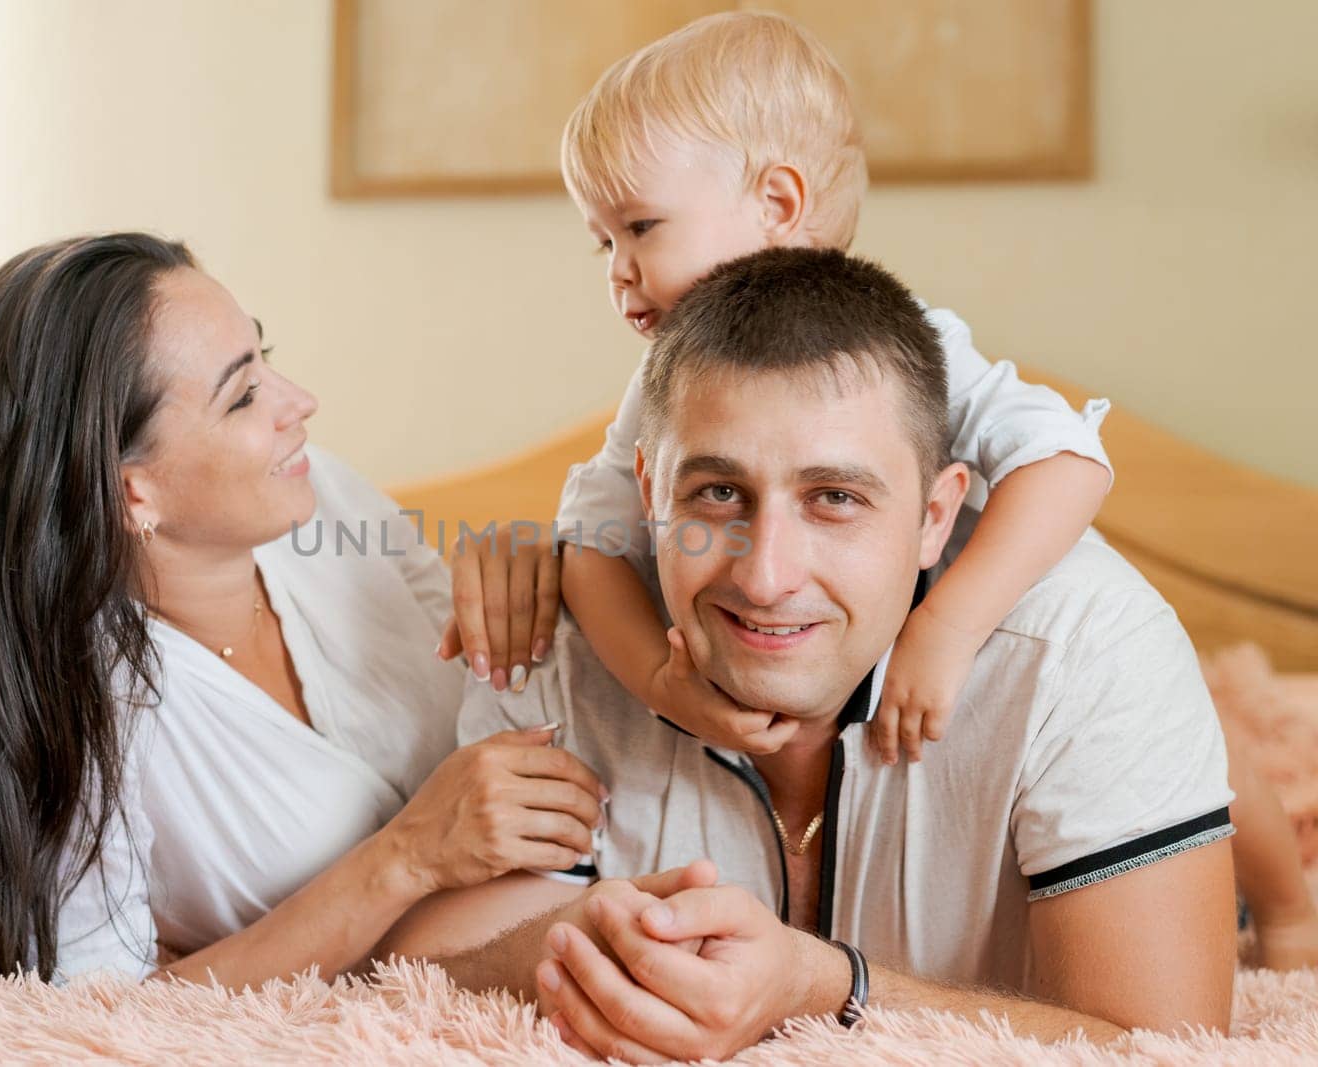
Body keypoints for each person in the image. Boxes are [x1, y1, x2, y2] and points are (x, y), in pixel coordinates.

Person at [436, 8, 1318, 969]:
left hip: (1001, 584)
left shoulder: (918, 352)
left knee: (1172, 699)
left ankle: (1288, 908)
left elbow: (1069, 464)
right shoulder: (659, 395)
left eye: (640, 228)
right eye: (600, 243)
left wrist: (949, 629)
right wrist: (660, 681)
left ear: (779, 203)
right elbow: (593, 546)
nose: (619, 273)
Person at [382, 247, 1238, 1057]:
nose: (764, 576)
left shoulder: (1082, 649)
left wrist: (829, 987)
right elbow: (416, 986)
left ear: (936, 515)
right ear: (647, 492)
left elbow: (1166, 1052)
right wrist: (567, 940)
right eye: (718, 492)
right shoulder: (547, 643)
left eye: (834, 498)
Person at [0, 233, 607, 987]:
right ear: (133, 492)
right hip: (550, 939)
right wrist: (406, 855)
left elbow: (509, 667)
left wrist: (526, 564)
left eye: (266, 357)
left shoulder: (322, 503)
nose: (300, 402)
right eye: (243, 395)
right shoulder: (81, 712)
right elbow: (95, 1019)